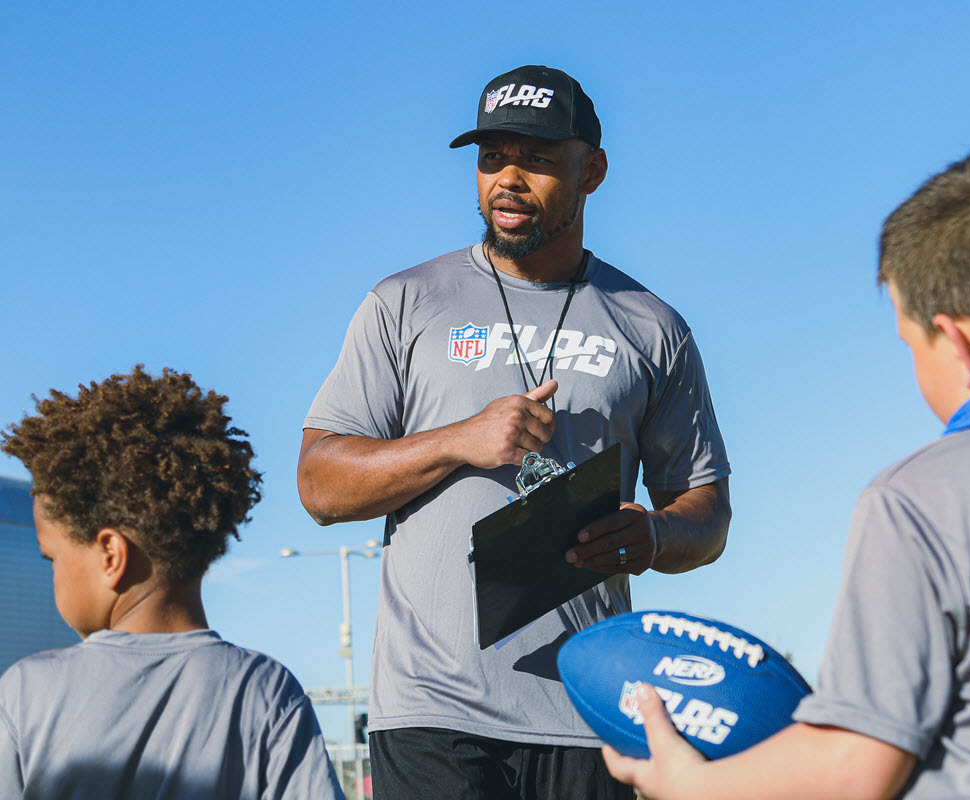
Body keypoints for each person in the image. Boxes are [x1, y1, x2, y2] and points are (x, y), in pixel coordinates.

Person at [603, 145, 970, 799]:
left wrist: (688, 784)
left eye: (911, 346)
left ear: (960, 345)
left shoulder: (920, 499)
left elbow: (859, 768)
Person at [297, 64, 732, 799]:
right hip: (433, 712)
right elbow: (320, 484)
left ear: (591, 170)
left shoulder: (653, 327)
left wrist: (654, 536)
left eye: (536, 160)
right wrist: (456, 439)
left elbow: (708, 511)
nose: (507, 180)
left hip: (588, 708)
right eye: (492, 158)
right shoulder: (404, 302)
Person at [0, 366, 345, 799]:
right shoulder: (265, 691)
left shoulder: (27, 693)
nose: (52, 571)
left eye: (51, 557)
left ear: (111, 555)